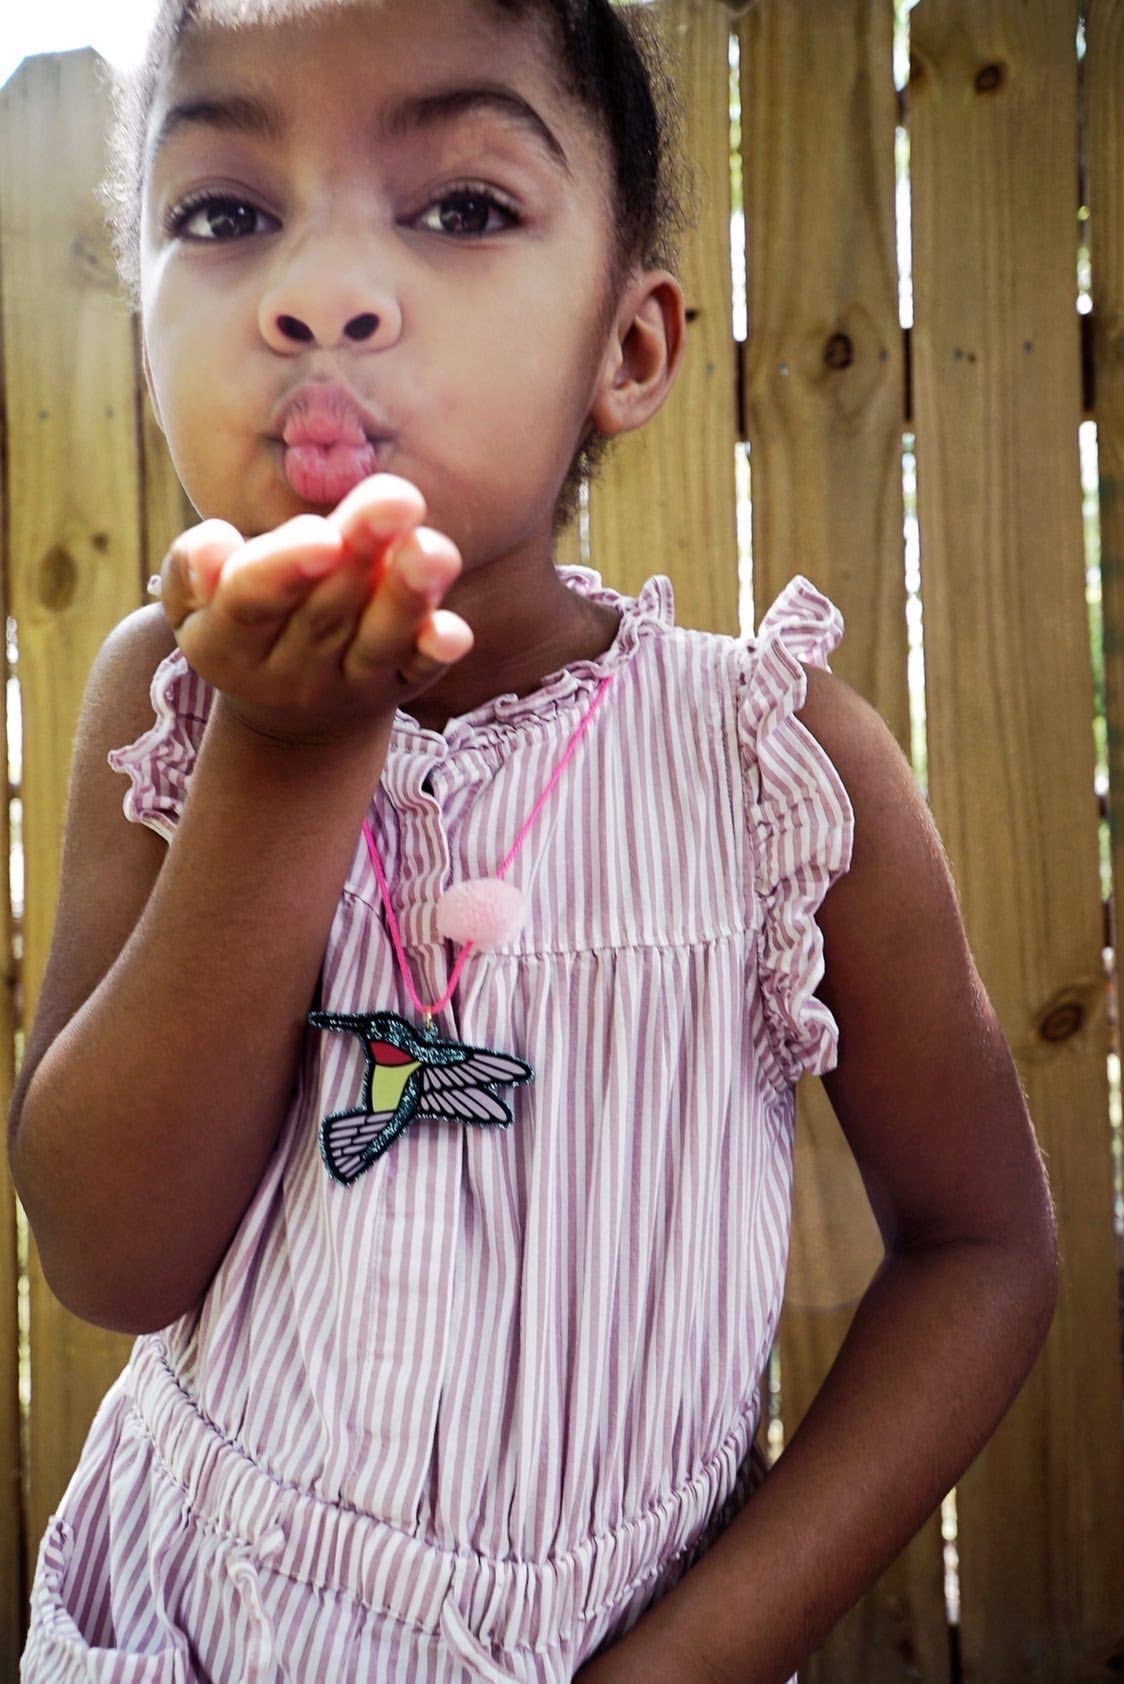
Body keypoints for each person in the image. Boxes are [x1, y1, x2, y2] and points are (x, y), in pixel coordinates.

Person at [9, 0, 1058, 1679]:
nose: (320, 291)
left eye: (463, 207)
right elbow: (109, 1256)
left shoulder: (768, 771)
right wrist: (286, 761)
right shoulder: (174, 709)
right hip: (191, 1630)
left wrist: (694, 1657)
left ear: (629, 351)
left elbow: (986, 1250)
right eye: (225, 213)